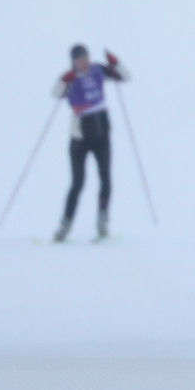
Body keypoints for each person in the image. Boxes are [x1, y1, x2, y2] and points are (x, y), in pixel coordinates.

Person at [51, 44, 128, 242]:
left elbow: (124, 77)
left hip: (102, 134)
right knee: (77, 183)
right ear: (73, 61)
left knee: (105, 178)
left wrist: (115, 62)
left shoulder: (98, 70)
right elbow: (56, 93)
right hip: (80, 137)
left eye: (85, 57)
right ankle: (64, 227)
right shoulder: (70, 77)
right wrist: (64, 81)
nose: (83, 61)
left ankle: (102, 224)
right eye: (79, 59)